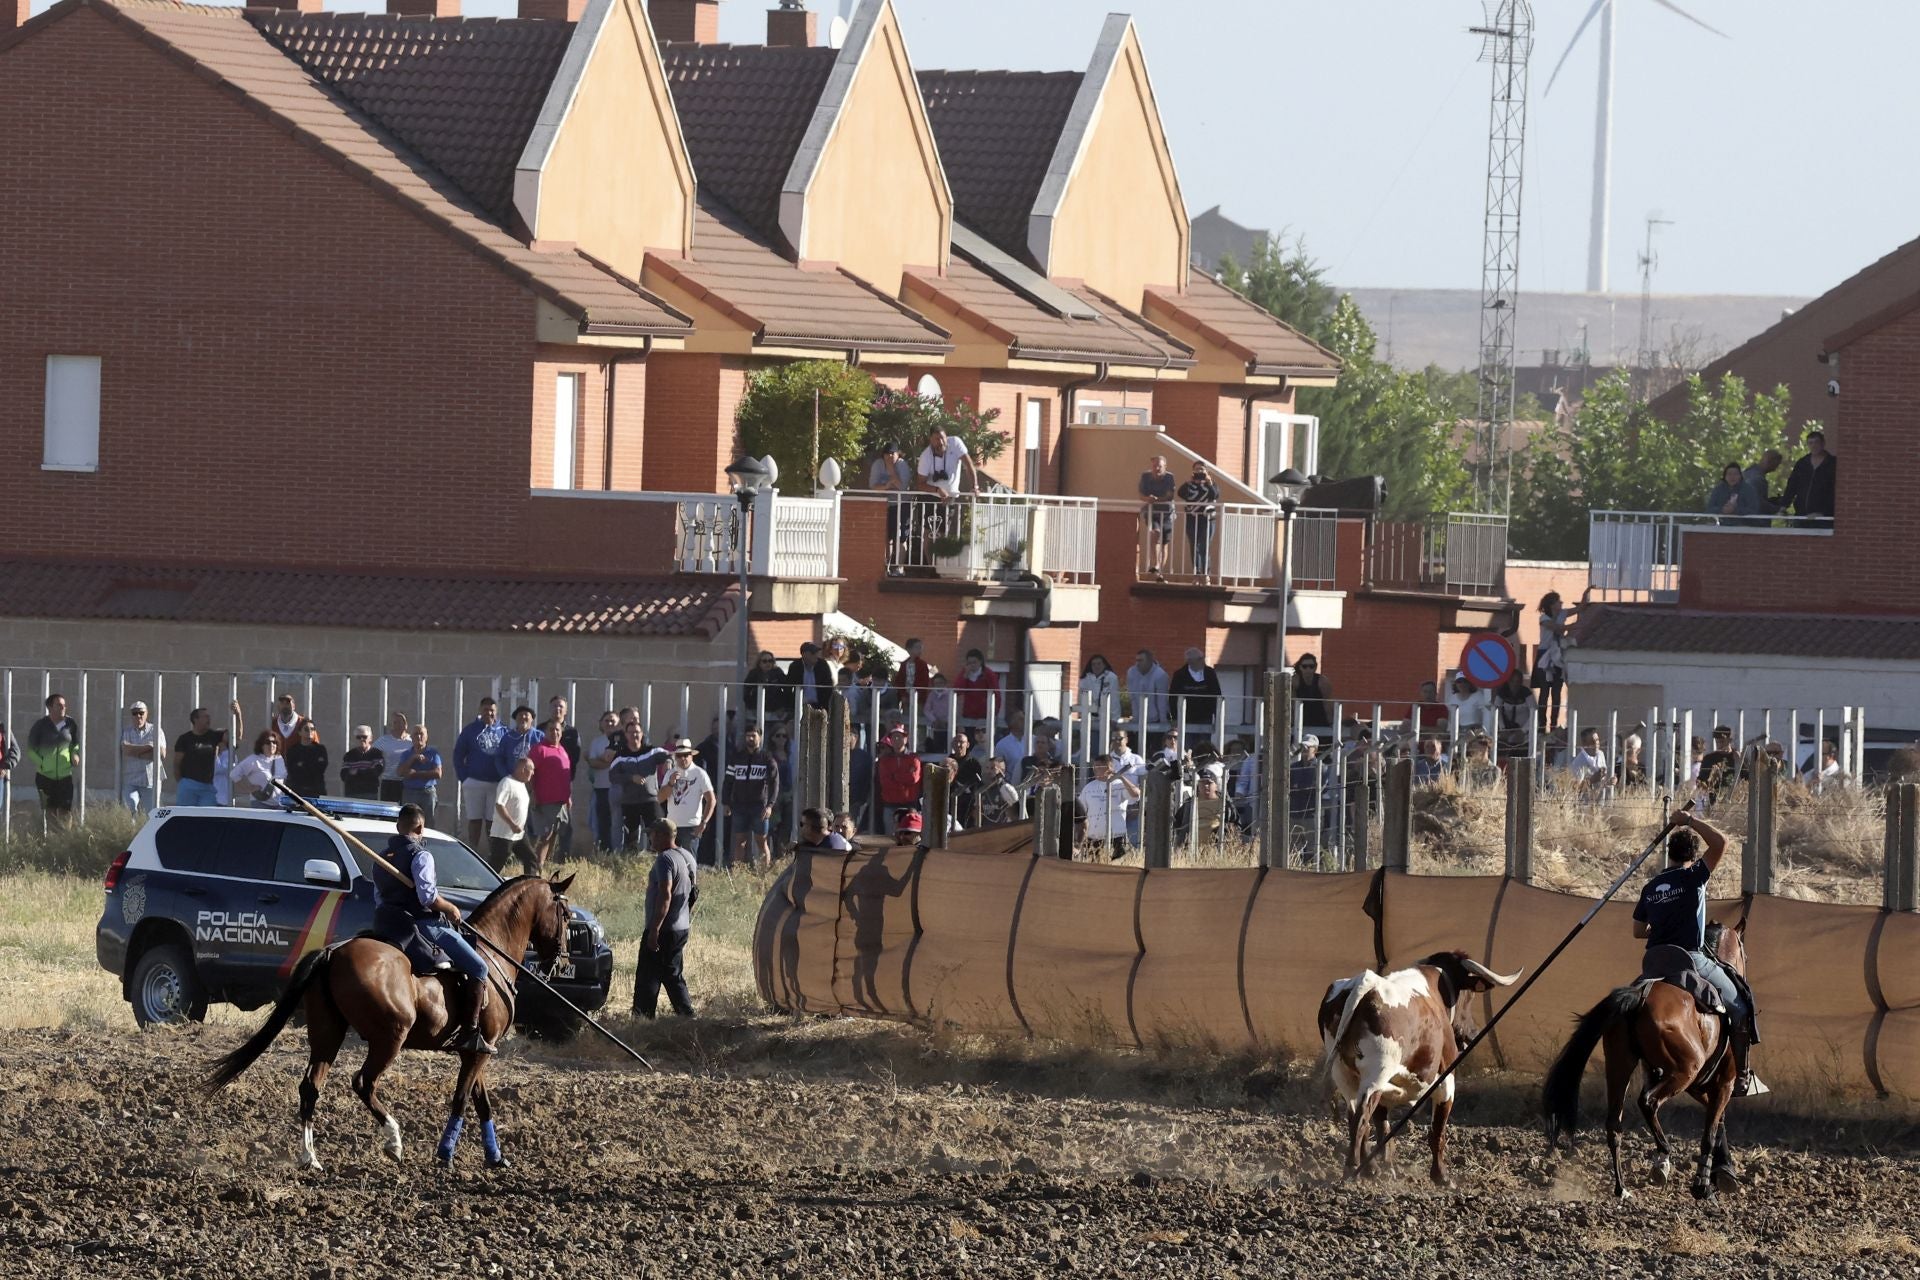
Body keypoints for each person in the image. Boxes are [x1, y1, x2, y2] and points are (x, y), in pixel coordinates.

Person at [1632, 810, 1763, 1097]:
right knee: (1741, 1005)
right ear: (1692, 856)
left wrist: (1662, 924)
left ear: (1670, 855)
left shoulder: (1651, 887)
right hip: (1690, 959)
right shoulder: (1694, 876)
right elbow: (1720, 842)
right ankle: (1742, 1076)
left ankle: (1648, 1070)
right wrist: (1690, 820)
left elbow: (1638, 932)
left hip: (1654, 961)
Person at [371, 804, 493, 1053]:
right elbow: (428, 898)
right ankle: (470, 1033)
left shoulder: (381, 858)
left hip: (389, 924)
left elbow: (379, 897)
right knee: (480, 967)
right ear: (420, 827)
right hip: (425, 926)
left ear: (398, 827)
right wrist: (450, 908)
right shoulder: (421, 855)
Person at [634, 818, 698, 1019]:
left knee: (648, 976)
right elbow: (692, 893)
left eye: (652, 835)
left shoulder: (665, 859)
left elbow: (666, 893)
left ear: (661, 836)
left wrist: (655, 929)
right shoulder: (687, 856)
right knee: (672, 974)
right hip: (681, 927)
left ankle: (642, 1020)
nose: (650, 839)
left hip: (663, 929)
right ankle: (687, 1016)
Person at [723, 724, 781, 869]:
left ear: (760, 738)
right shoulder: (737, 758)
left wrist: (770, 805)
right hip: (739, 805)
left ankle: (763, 875)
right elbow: (728, 781)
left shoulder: (767, 758)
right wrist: (726, 802)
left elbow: (775, 783)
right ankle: (738, 876)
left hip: (759, 806)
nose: (750, 738)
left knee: (761, 841)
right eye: (748, 735)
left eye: (753, 735)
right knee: (739, 842)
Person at [453, 698, 507, 849]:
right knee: (475, 819)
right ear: (480, 710)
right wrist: (464, 777)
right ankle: (473, 850)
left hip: (496, 783)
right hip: (474, 782)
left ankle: (492, 853)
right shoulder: (470, 730)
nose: (488, 713)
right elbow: (458, 754)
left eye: (492, 710)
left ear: (496, 712)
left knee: (493, 821)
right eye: (485, 710)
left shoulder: (503, 730)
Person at [608, 726, 668, 851]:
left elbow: (668, 755)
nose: (634, 735)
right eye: (631, 732)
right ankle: (631, 863)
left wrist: (668, 762)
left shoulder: (651, 751)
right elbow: (613, 776)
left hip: (650, 799)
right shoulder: (620, 755)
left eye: (637, 732)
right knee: (631, 837)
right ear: (626, 735)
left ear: (642, 734)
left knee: (658, 831)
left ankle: (656, 860)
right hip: (630, 802)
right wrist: (630, 777)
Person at [27, 694, 81, 827]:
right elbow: (30, 750)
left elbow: (75, 744)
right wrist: (43, 764)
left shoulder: (70, 724)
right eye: (59, 705)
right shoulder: (40, 725)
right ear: (50, 707)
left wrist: (75, 754)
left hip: (65, 776)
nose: (63, 707)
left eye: (64, 705)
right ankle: (52, 842)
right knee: (50, 811)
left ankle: (65, 841)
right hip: (44, 776)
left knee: (65, 811)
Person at [173, 702, 241, 807]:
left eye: (209, 717)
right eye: (205, 717)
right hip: (188, 784)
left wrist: (238, 715)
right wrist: (182, 783)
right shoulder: (185, 739)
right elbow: (177, 763)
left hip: (207, 787)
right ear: (195, 719)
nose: (208, 719)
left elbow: (235, 736)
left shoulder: (213, 736)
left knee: (207, 817)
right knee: (186, 817)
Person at [524, 729, 573, 868]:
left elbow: (566, 775)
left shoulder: (562, 750)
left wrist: (568, 796)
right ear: (545, 732)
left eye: (558, 730)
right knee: (544, 834)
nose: (555, 732)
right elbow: (529, 773)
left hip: (561, 801)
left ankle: (542, 864)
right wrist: (532, 793)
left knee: (554, 834)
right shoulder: (539, 749)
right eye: (552, 729)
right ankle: (533, 865)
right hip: (544, 800)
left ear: (561, 733)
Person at [660, 737, 716, 857]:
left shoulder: (700, 773)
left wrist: (704, 822)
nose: (683, 758)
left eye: (686, 755)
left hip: (691, 826)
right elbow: (660, 798)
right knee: (672, 861)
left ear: (691, 755)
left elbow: (711, 799)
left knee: (689, 862)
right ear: (675, 757)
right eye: (679, 755)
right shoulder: (670, 773)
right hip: (672, 825)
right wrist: (670, 783)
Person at [1077, 753, 1138, 860]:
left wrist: (1121, 777)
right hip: (1094, 838)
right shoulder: (1089, 787)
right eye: (1094, 766)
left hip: (1116, 838)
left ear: (1109, 767)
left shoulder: (1119, 785)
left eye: (1099, 766)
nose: (1095, 769)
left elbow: (1136, 795)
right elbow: (1080, 812)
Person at [1534, 592, 1578, 731]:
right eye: (1558, 601)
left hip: (1557, 655)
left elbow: (1579, 609)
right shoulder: (1544, 618)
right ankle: (1542, 725)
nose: (1561, 603)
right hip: (1545, 655)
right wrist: (1572, 626)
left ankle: (1553, 725)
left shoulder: (1563, 614)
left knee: (1557, 692)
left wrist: (1585, 595)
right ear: (1552, 605)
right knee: (1544, 691)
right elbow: (1557, 628)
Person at [547, 696, 583, 857]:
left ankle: (563, 856)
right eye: (554, 706)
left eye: (561, 706)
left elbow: (574, 758)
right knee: (545, 823)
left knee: (565, 822)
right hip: (545, 783)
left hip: (565, 783)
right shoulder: (542, 729)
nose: (557, 709)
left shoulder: (572, 732)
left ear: (566, 710)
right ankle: (543, 856)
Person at [1168, 647, 1224, 746]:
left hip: (1205, 717)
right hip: (1186, 718)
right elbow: (1173, 697)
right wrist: (1175, 717)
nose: (1202, 661)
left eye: (1202, 658)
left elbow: (1217, 694)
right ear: (1190, 661)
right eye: (1199, 659)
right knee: (1187, 745)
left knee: (1204, 746)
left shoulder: (1209, 673)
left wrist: (1217, 716)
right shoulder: (1180, 675)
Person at [1777, 430, 1836, 522]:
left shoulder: (1833, 464)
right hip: (1802, 515)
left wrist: (1824, 512)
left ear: (1823, 443)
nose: (1813, 445)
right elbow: (1792, 486)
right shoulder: (1802, 464)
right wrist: (1784, 506)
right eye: (1810, 443)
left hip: (1824, 518)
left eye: (1816, 442)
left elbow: (1835, 491)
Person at [487, 755, 533, 873]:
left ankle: (531, 886)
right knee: (496, 864)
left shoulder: (521, 785)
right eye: (531, 769)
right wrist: (512, 824)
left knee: (531, 859)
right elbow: (499, 805)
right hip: (503, 835)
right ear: (523, 769)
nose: (533, 773)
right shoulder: (507, 783)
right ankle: (484, 885)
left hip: (519, 834)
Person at [871, 443, 913, 571]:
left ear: (897, 454)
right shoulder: (878, 464)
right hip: (885, 504)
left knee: (901, 537)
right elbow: (873, 486)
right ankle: (886, 567)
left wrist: (890, 469)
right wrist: (887, 486)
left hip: (902, 503)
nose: (889, 456)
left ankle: (899, 568)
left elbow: (902, 487)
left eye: (892, 454)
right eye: (886, 454)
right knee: (886, 536)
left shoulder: (902, 465)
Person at [875, 724, 923, 833]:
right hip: (890, 804)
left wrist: (895, 776)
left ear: (905, 739)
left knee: (911, 834)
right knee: (890, 837)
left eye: (900, 736)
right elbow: (885, 782)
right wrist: (904, 776)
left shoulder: (914, 758)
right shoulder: (885, 760)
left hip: (910, 804)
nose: (896, 739)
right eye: (894, 737)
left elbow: (914, 778)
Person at [396, 723, 443, 826]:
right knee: (408, 823)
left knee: (429, 823)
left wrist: (415, 774)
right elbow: (400, 772)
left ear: (426, 737)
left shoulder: (433, 753)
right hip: (409, 793)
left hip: (427, 793)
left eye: (421, 734)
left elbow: (438, 773)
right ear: (411, 737)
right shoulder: (406, 754)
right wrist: (413, 758)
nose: (419, 737)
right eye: (416, 734)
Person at [1178, 460, 1220, 577]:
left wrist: (1209, 482)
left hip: (1207, 519)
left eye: (1202, 469)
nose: (1199, 471)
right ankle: (1197, 572)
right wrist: (1189, 481)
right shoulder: (1190, 485)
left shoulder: (1211, 484)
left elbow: (1215, 495)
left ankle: (1206, 572)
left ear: (1206, 471)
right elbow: (1180, 493)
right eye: (1197, 469)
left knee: (1204, 545)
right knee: (1194, 545)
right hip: (1192, 518)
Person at [585, 711, 620, 849]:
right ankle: (605, 852)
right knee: (603, 823)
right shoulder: (597, 742)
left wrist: (603, 760)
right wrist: (613, 762)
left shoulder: (622, 740)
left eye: (613, 721)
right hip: (601, 788)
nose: (609, 723)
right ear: (601, 723)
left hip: (618, 788)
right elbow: (593, 763)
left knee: (617, 823)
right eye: (606, 720)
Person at [1138, 455, 1177, 577]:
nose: (1157, 468)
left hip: (1167, 513)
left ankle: (1160, 569)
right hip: (1152, 511)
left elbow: (1170, 496)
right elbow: (1141, 495)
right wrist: (1148, 499)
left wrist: (1157, 499)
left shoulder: (1169, 477)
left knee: (1164, 542)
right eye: (1155, 466)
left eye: (1159, 466)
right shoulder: (1145, 476)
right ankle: (1155, 564)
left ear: (1165, 466)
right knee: (1155, 533)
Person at [952, 649, 1002, 740]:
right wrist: (965, 677)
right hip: (968, 715)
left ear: (980, 662)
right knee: (969, 740)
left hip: (984, 715)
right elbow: (957, 690)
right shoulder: (964, 672)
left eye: (974, 662)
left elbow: (996, 693)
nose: (972, 665)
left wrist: (995, 712)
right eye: (969, 663)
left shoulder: (988, 674)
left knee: (983, 740)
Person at [120, 701, 160, 814]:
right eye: (135, 713)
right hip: (131, 778)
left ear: (146, 714)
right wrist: (148, 747)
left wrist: (134, 751)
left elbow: (160, 753)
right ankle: (131, 831)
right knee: (129, 809)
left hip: (150, 779)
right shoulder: (127, 731)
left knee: (151, 813)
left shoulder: (155, 730)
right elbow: (126, 750)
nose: (138, 716)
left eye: (141, 713)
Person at [228, 731, 287, 807]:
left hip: (279, 804)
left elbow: (283, 778)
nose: (271, 745)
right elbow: (234, 774)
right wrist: (249, 788)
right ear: (262, 745)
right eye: (268, 742)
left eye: (274, 742)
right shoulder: (254, 760)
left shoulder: (279, 759)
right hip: (261, 804)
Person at [1291, 654, 1335, 740]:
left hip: (1320, 717)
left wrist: (1332, 723)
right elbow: (1292, 704)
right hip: (1301, 718)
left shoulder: (1323, 681)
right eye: (1305, 666)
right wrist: (1292, 723)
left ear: (1315, 668)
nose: (1308, 669)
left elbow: (1327, 704)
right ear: (1300, 667)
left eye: (1311, 666)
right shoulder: (1294, 681)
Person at [372, 710, 412, 804]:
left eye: (401, 722)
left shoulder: (411, 741)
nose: (398, 725)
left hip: (406, 782)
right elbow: (372, 753)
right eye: (395, 722)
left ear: (406, 724)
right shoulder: (384, 740)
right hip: (388, 781)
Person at [495, 705, 545, 780]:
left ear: (532, 719)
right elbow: (499, 759)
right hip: (512, 780)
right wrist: (506, 776)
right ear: (516, 719)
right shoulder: (507, 737)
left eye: (526, 715)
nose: (523, 717)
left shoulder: (540, 736)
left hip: (534, 781)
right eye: (520, 715)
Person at [283, 720, 329, 798]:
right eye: (306, 729)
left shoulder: (320, 749)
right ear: (300, 732)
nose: (310, 731)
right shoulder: (293, 751)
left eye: (312, 729)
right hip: (298, 792)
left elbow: (321, 768)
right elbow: (293, 771)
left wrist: (302, 765)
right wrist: (311, 764)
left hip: (316, 791)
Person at [741, 651, 791, 723]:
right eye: (764, 661)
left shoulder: (778, 672)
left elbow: (787, 689)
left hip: (776, 711)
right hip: (756, 710)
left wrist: (782, 707)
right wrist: (752, 707)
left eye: (770, 661)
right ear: (759, 663)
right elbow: (746, 691)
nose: (768, 663)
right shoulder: (753, 673)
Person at [1126, 649, 1169, 731]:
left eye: (1141, 660)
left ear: (1150, 661)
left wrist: (1163, 723)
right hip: (1138, 718)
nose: (1138, 663)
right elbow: (1132, 697)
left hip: (1155, 719)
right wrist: (1135, 719)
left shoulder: (1160, 675)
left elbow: (1162, 700)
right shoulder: (1131, 672)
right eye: (1137, 660)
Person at [1696, 726, 1740, 803]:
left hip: (1735, 799)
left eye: (1722, 742)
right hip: (1713, 800)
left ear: (1730, 741)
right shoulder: (1709, 758)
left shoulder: (1737, 757)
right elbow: (1701, 780)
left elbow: (1747, 778)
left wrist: (1739, 761)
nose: (1719, 745)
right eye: (1717, 742)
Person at [340, 725, 385, 800]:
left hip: (370, 793)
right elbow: (343, 775)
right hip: (352, 793)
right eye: (358, 737)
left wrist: (355, 772)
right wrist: (367, 770)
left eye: (364, 737)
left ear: (370, 738)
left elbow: (376, 772)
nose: (361, 739)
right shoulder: (349, 755)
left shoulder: (376, 754)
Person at [788, 642, 835, 712]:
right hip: (801, 705)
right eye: (813, 653)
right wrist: (791, 706)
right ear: (804, 654)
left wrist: (825, 707)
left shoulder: (823, 665)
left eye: (817, 653)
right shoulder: (795, 666)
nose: (816, 655)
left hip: (820, 706)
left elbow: (828, 686)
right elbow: (788, 687)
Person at [1077, 654, 1120, 729]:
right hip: (1089, 719)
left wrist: (1114, 718)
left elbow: (1114, 698)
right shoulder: (1085, 679)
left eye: (1099, 664)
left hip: (1107, 718)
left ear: (1104, 665)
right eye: (1093, 664)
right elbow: (1081, 699)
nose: (1096, 666)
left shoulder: (1111, 677)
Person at [1569, 728, 1610, 800]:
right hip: (1585, 804)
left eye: (1597, 740)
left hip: (1601, 801)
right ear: (1584, 744)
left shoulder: (1601, 754)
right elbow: (1575, 789)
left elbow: (1603, 779)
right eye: (1592, 741)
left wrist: (1610, 780)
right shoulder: (1578, 763)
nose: (1596, 744)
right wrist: (1592, 780)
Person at [266, 692, 311, 757]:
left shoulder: (304, 724)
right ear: (278, 706)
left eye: (288, 703)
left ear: (294, 706)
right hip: (278, 765)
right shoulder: (272, 724)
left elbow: (314, 744)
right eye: (282, 703)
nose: (285, 706)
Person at [978, 756, 1020, 825]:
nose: (989, 771)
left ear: (1002, 771)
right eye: (987, 768)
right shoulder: (982, 789)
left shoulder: (1006, 789)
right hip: (985, 830)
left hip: (1002, 829)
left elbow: (1015, 813)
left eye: (992, 768)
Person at [922, 673, 954, 752]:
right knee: (937, 749)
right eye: (936, 683)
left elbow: (954, 709)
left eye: (940, 683)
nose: (938, 685)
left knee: (949, 749)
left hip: (949, 727)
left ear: (945, 683)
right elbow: (926, 709)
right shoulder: (931, 695)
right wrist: (934, 720)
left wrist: (946, 721)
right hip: (936, 728)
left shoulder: (951, 694)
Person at [994, 714, 1028, 780]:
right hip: (1012, 784)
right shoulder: (1002, 744)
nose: (1025, 721)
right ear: (1011, 723)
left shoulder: (1035, 740)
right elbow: (998, 768)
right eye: (1021, 719)